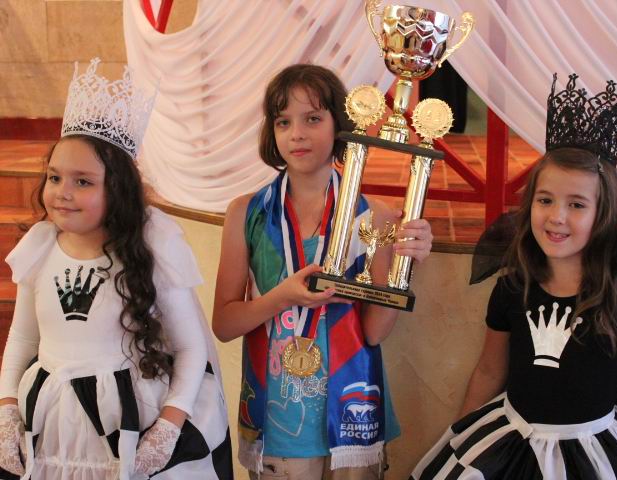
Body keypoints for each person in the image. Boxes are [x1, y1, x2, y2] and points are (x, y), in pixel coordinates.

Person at [0, 58, 231, 480]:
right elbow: (22, 337)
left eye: (83, 181)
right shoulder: (39, 246)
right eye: (54, 177)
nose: (62, 193)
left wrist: (168, 428)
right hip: (50, 419)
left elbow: (190, 347)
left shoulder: (151, 250)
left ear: (118, 189)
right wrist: (7, 408)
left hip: (126, 418)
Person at [411, 74, 617, 479]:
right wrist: (459, 436)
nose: (557, 217)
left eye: (577, 205)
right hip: (514, 441)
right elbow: (489, 370)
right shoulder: (514, 285)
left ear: (603, 213)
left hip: (596, 448)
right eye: (545, 200)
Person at [212, 64, 433, 479]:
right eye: (283, 121)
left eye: (312, 118)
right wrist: (283, 296)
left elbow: (373, 332)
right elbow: (224, 324)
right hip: (279, 427)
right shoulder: (247, 214)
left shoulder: (374, 218)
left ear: (339, 125)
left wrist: (405, 266)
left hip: (354, 418)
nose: (297, 133)